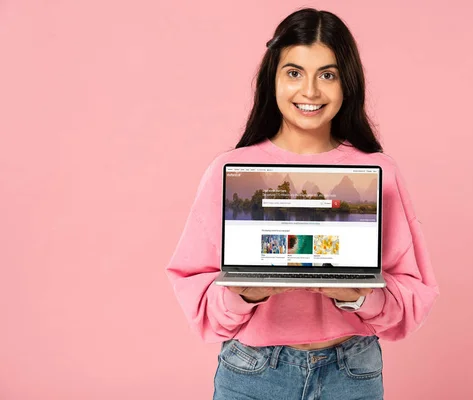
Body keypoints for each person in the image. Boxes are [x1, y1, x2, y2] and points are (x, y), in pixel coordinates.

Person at [165, 8, 439, 400]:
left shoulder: (379, 171)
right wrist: (246, 294)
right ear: (272, 79)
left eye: (327, 75)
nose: (310, 92)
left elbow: (412, 294)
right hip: (253, 372)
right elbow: (198, 294)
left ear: (347, 83)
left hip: (352, 371)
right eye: (294, 73)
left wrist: (358, 296)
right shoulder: (230, 170)